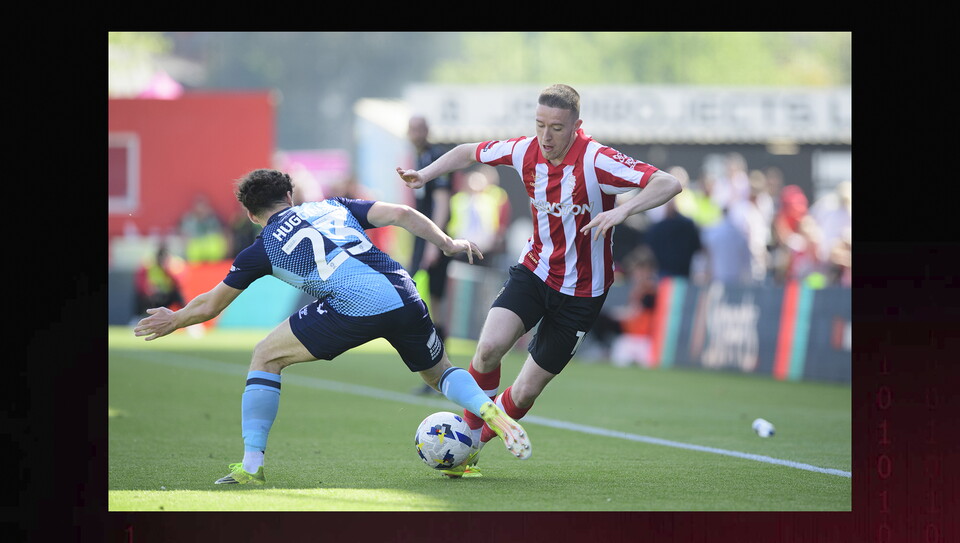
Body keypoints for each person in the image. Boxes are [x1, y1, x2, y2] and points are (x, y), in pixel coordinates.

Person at [134, 168, 531, 485]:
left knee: (265, 356)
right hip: (401, 289)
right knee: (440, 372)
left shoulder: (263, 247)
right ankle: (486, 410)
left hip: (353, 306)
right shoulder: (333, 206)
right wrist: (446, 242)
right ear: (289, 196)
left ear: (252, 216)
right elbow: (402, 214)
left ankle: (251, 464)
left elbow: (211, 304)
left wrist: (175, 317)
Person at [396, 84, 681, 477]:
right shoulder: (524, 150)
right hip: (535, 272)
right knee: (489, 348)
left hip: (583, 292)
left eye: (557, 128)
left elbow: (668, 182)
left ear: (577, 126)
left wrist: (623, 210)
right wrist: (423, 174)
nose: (546, 137)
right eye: (540, 125)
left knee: (527, 390)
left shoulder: (597, 160)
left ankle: (472, 447)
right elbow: (466, 151)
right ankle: (467, 434)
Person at [406, 115, 455, 395]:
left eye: (418, 129)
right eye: (411, 129)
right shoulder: (420, 155)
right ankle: (435, 372)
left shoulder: (435, 158)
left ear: (426, 131)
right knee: (422, 297)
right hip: (422, 237)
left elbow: (441, 200)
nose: (414, 133)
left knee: (434, 301)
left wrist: (436, 243)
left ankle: (441, 372)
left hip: (432, 238)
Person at [133, 243, 185, 319]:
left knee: (178, 294)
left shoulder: (173, 264)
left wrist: (167, 270)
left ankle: (189, 319)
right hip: (156, 296)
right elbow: (140, 282)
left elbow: (179, 283)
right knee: (139, 296)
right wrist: (149, 291)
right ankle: (137, 317)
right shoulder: (150, 265)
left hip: (169, 295)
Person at [179, 194, 229, 263]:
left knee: (215, 240)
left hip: (211, 250)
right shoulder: (189, 219)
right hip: (196, 248)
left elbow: (222, 233)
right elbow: (184, 234)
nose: (201, 209)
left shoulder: (214, 218)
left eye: (203, 207)